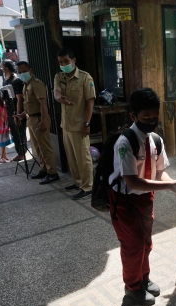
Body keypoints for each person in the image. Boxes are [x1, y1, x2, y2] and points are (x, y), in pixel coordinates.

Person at [109, 88, 176, 306]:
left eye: (155, 117)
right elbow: (133, 182)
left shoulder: (156, 140)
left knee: (145, 242)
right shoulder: (125, 142)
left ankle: (143, 278)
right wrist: (170, 186)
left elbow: (158, 172)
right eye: (146, 118)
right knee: (133, 245)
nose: (151, 121)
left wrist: (173, 186)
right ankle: (132, 287)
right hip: (124, 202)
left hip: (146, 198)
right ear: (133, 117)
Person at [53, 47, 95, 200]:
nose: (64, 64)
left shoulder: (85, 78)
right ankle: (77, 182)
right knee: (71, 157)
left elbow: (90, 103)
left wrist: (86, 124)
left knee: (83, 158)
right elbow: (56, 92)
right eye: (61, 62)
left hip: (79, 125)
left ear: (74, 60)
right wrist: (59, 99)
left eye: (66, 61)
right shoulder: (59, 77)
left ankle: (88, 186)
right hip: (66, 125)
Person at [14, 61, 59, 184]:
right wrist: (22, 115)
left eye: (24, 71)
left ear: (31, 70)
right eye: (19, 72)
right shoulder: (25, 85)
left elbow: (43, 104)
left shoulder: (36, 84)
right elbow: (29, 105)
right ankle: (43, 169)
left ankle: (52, 172)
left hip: (39, 119)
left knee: (45, 147)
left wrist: (43, 122)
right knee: (38, 147)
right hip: (31, 119)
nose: (22, 74)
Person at [0, 60, 25, 162]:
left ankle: (22, 153)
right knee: (15, 134)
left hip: (17, 111)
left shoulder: (16, 80)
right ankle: (19, 152)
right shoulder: (6, 81)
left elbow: (20, 99)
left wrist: (18, 114)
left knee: (20, 133)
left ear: (6, 68)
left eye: (2, 67)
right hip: (9, 111)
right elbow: (5, 99)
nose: (1, 69)